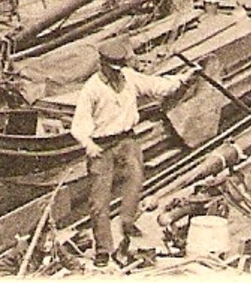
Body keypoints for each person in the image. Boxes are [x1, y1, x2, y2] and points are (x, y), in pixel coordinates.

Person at [71, 39, 187, 266]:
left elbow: (156, 86)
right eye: (112, 69)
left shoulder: (128, 78)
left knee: (135, 184)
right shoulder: (92, 89)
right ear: (102, 64)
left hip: (127, 140)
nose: (117, 73)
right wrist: (88, 144)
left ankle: (126, 227)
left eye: (119, 69)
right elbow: (79, 125)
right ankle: (103, 250)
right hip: (102, 145)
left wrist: (180, 79)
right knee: (99, 200)